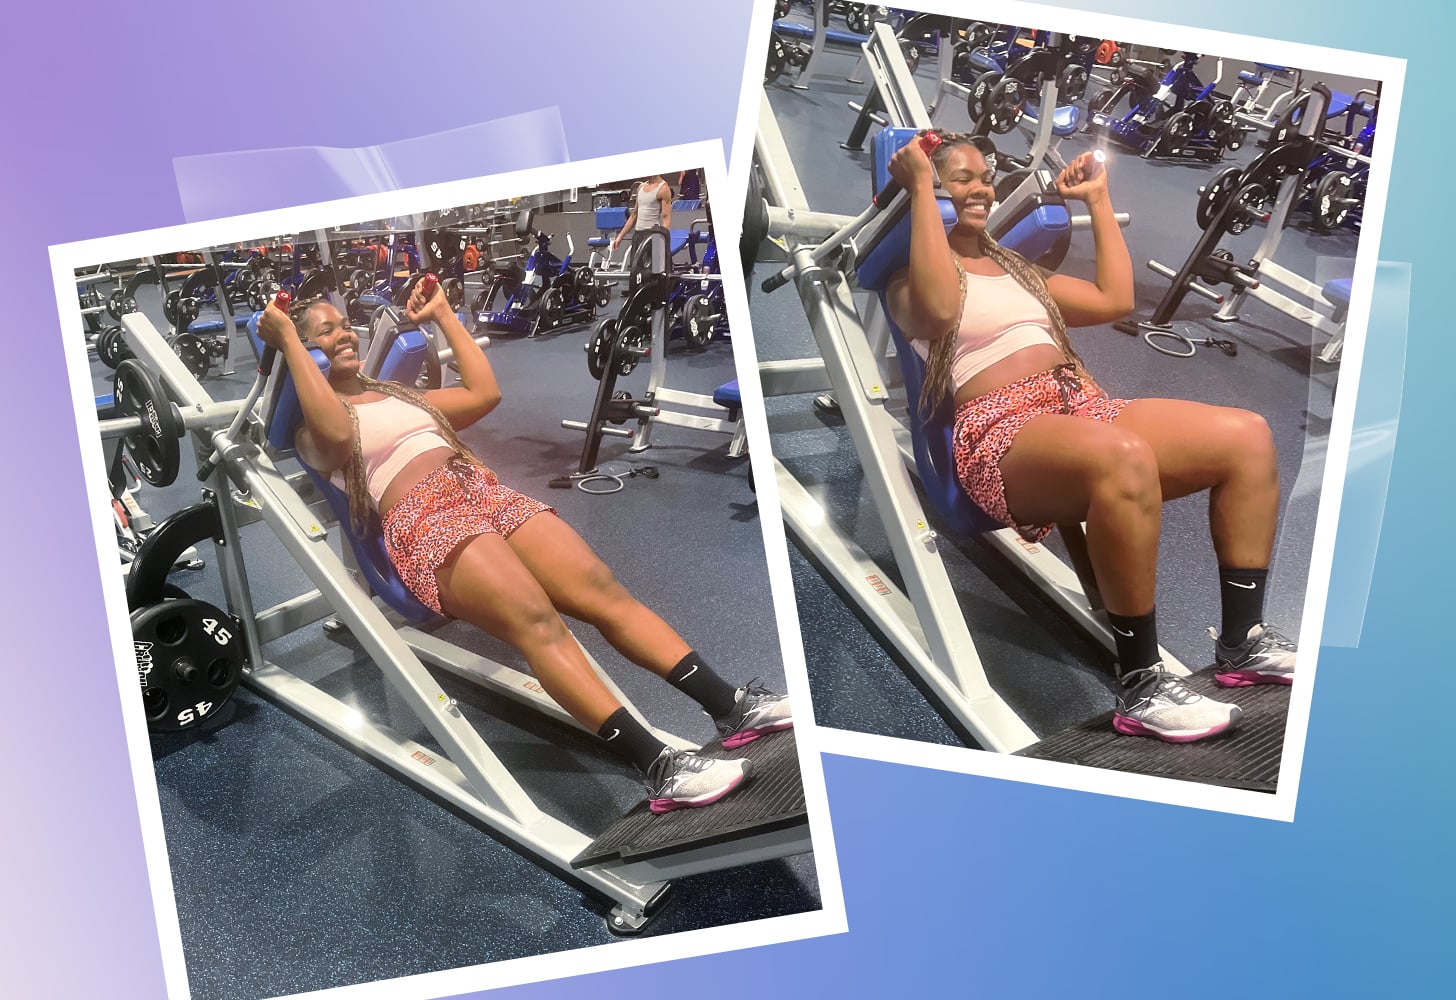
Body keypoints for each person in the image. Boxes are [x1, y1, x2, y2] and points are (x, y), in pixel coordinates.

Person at [254, 281, 792, 810]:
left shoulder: (398, 394)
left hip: (483, 492)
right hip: (423, 518)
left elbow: (485, 393)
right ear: (302, 350)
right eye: (324, 333)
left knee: (603, 591)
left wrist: (444, 315)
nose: (343, 335)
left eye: (345, 324)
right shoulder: (315, 429)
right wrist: (289, 342)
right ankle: (660, 767)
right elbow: (337, 435)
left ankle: (732, 708)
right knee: (536, 621)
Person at [883, 132, 1295, 744]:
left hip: (1084, 408)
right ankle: (1140, 683)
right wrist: (918, 186)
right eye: (961, 178)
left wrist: (1097, 201)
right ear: (931, 188)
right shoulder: (907, 280)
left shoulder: (1019, 270)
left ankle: (1243, 643)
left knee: (1248, 437)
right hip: (1000, 431)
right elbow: (941, 313)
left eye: (985, 177)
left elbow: (1115, 298)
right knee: (1121, 459)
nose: (981, 188)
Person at [611, 174, 673, 259]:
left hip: (651, 236)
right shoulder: (641, 187)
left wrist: (661, 244)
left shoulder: (663, 188)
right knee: (635, 270)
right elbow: (634, 215)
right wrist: (620, 237)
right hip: (637, 235)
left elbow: (666, 220)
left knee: (650, 271)